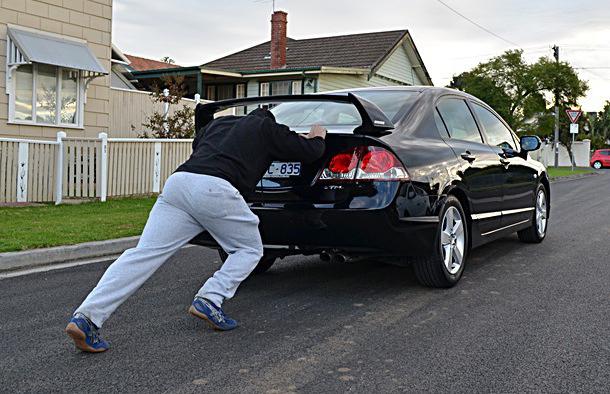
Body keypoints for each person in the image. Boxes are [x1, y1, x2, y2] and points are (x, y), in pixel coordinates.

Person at [66, 108, 327, 353]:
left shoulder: (219, 124)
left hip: (179, 184)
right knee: (249, 249)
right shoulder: (267, 127)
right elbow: (310, 151)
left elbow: (198, 145)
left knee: (143, 254)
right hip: (217, 188)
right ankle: (211, 298)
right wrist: (318, 135)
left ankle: (86, 318)